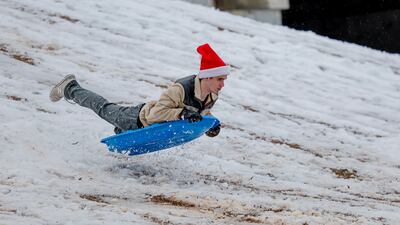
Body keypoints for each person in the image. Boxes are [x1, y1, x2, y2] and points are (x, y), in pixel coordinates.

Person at [49, 43, 229, 137]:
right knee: (103, 108)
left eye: (224, 80)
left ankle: (119, 133)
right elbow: (154, 115)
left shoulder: (211, 94)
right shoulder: (180, 88)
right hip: (136, 120)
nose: (222, 84)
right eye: (220, 79)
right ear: (207, 77)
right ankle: (69, 87)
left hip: (147, 131)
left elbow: (203, 111)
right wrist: (182, 114)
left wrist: (211, 124)